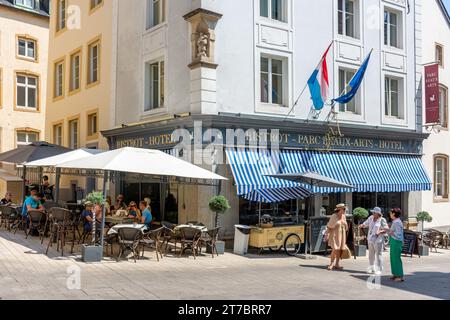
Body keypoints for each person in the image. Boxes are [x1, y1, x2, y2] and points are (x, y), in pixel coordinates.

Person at [359, 207, 389, 275]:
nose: (373, 213)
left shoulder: (382, 220)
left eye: (374, 212)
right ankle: (372, 268)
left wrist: (380, 231)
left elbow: (386, 229)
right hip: (370, 239)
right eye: (373, 212)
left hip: (378, 240)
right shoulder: (371, 218)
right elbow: (366, 223)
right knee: (371, 255)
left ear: (378, 213)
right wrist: (362, 225)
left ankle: (379, 269)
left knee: (379, 255)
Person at [325, 203, 349, 271]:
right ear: (340, 209)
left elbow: (346, 228)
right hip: (334, 235)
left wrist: (345, 223)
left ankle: (337, 264)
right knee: (335, 249)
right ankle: (331, 263)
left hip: (342, 235)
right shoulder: (334, 216)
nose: (345, 210)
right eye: (344, 209)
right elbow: (329, 226)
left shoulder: (344, 216)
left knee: (339, 249)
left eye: (345, 209)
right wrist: (327, 235)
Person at [389, 208, 405, 282]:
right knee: (393, 258)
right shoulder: (395, 221)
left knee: (396, 258)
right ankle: (395, 274)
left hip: (396, 241)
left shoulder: (397, 222)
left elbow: (398, 234)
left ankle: (399, 275)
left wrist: (391, 232)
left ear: (394, 214)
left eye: (391, 213)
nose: (390, 214)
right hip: (394, 241)